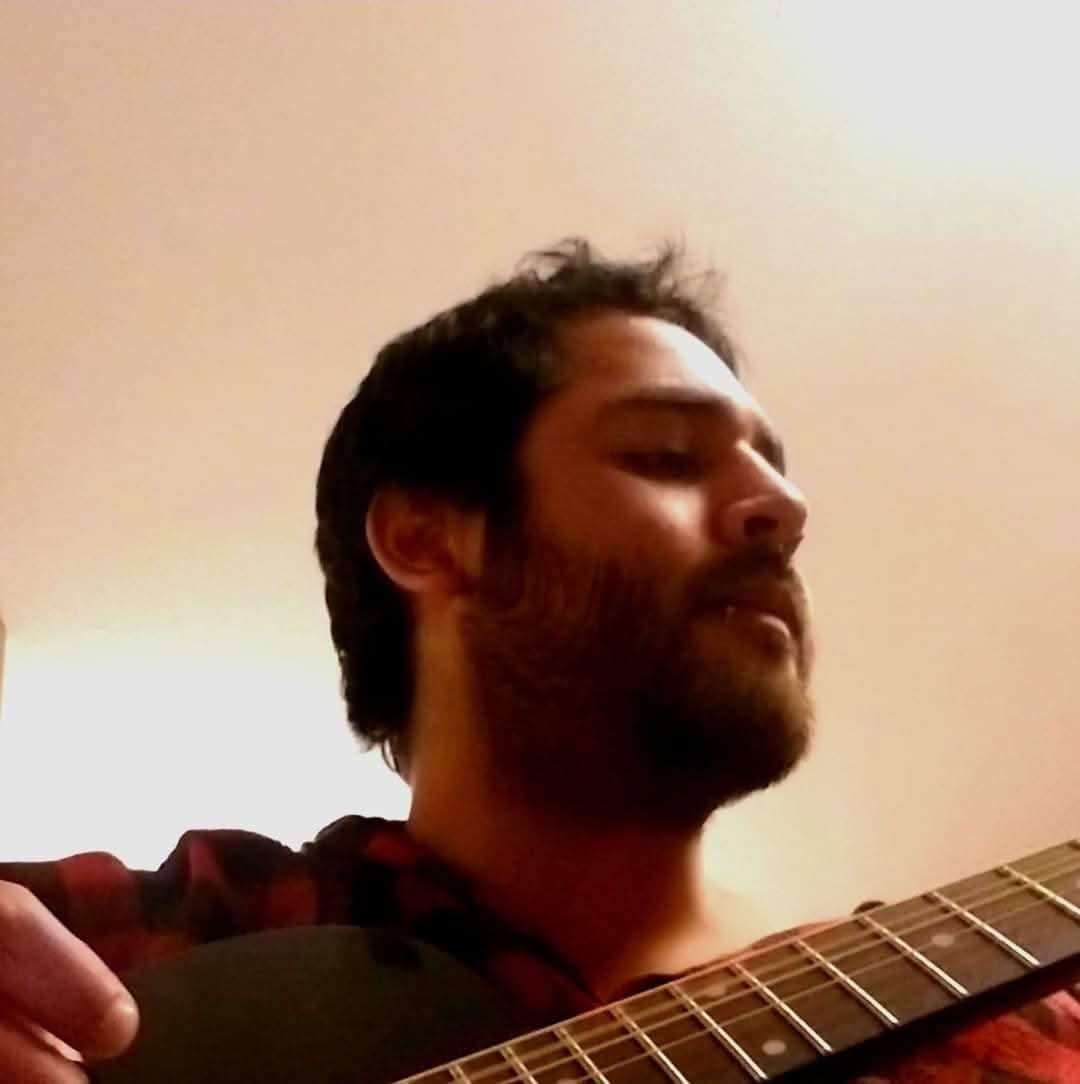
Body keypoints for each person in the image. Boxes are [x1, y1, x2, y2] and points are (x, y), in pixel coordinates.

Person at [0, 241, 1076, 1082]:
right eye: (664, 454)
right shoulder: (187, 934)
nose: (785, 508)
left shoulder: (1017, 1030)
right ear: (427, 540)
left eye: (776, 471)